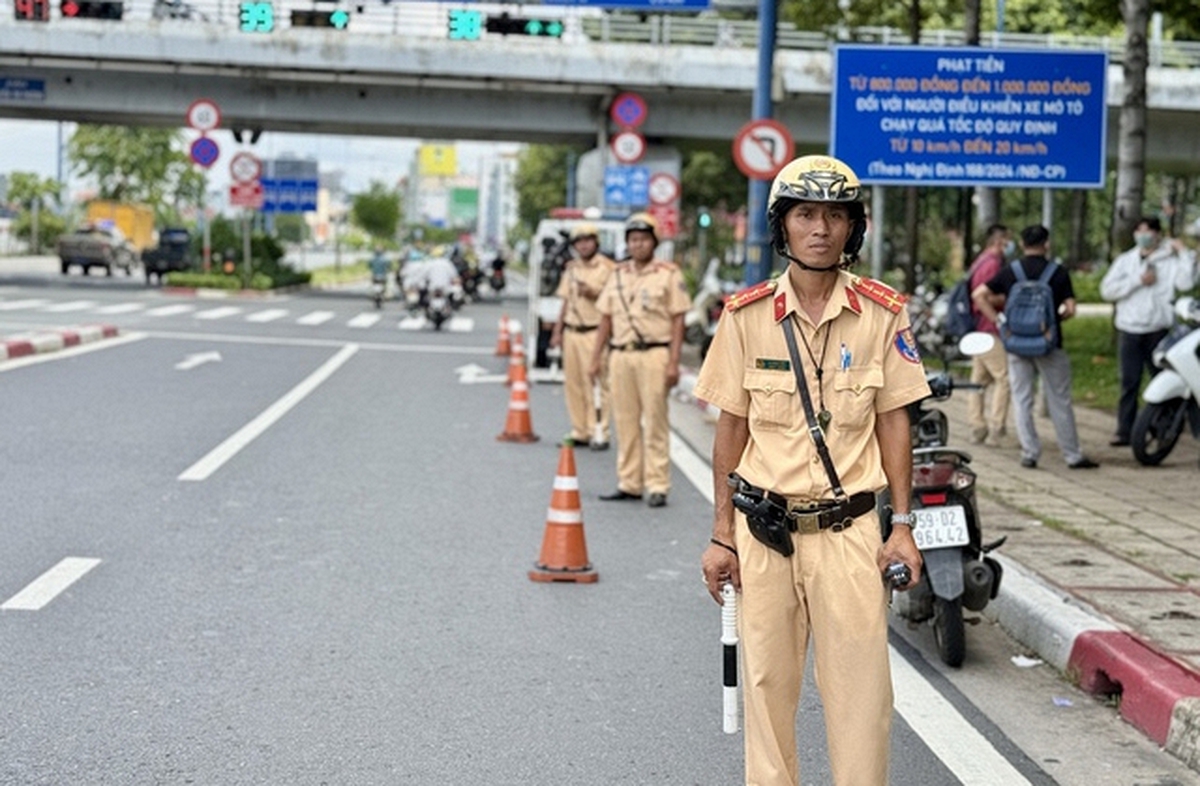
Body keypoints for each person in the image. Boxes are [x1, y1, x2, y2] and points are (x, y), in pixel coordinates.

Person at [695, 155, 929, 786]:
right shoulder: (744, 317)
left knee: (862, 698)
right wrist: (721, 534)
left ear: (854, 228)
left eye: (835, 215)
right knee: (768, 692)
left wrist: (901, 526)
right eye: (805, 214)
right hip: (763, 530)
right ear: (783, 226)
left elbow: (894, 421)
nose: (820, 228)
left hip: (849, 532)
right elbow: (730, 429)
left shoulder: (883, 314)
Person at [972, 224, 1099, 470]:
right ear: (1047, 244)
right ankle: (1072, 455)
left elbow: (979, 294)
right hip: (1049, 343)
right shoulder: (1058, 272)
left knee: (1021, 399)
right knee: (1059, 399)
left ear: (1021, 244)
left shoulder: (1011, 271)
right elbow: (1070, 308)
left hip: (1017, 344)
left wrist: (1000, 321)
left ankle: (1029, 452)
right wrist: (1052, 323)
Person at [589, 213, 689, 508]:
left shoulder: (669, 274)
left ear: (654, 243)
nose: (638, 244)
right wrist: (595, 358)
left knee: (655, 420)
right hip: (620, 354)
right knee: (625, 420)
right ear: (627, 244)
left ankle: (657, 484)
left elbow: (678, 320)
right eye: (633, 240)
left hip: (654, 353)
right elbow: (605, 319)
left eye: (644, 239)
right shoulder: (618, 275)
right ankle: (629, 482)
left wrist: (673, 362)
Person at [1100, 216, 1198, 446]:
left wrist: (1184, 253)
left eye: (1148, 231)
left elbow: (1185, 284)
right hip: (1130, 329)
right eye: (1139, 231)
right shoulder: (1126, 261)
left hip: (1158, 329)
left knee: (1163, 377)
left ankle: (1163, 427)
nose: (1143, 236)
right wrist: (1137, 281)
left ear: (1157, 234)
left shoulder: (1169, 261)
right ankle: (1124, 430)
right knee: (1129, 382)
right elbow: (1107, 290)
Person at [550, 224, 617, 450]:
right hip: (572, 332)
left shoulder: (608, 268)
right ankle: (580, 431)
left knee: (596, 382)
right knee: (574, 383)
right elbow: (566, 301)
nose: (584, 244)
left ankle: (599, 431)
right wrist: (557, 332)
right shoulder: (571, 269)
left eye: (588, 240)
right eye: (579, 241)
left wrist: (593, 292)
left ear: (595, 242)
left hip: (594, 331)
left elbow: (614, 302)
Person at [965, 224, 1013, 446]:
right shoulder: (993, 264)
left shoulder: (980, 261)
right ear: (998, 242)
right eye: (1006, 242)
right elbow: (983, 297)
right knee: (1004, 378)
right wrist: (1006, 301)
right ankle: (996, 427)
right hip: (990, 328)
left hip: (977, 328)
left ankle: (977, 426)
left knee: (978, 381)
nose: (1008, 246)